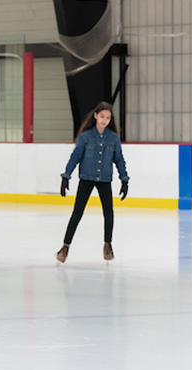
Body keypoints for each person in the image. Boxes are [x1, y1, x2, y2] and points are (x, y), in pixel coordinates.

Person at [56, 101, 129, 263]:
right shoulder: (85, 137)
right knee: (77, 213)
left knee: (108, 213)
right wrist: (66, 175)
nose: (104, 120)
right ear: (95, 116)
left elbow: (119, 159)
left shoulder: (113, 138)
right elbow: (75, 157)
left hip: (104, 180)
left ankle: (108, 245)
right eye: (102, 116)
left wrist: (124, 179)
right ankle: (65, 247)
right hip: (86, 178)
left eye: (108, 118)